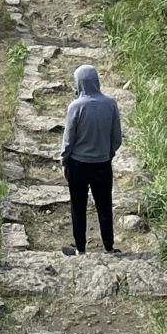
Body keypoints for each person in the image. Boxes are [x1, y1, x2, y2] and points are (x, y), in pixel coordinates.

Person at [60, 64, 123, 256]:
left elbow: (68, 139)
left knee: (78, 207)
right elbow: (117, 138)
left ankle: (80, 249)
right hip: (102, 165)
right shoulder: (111, 104)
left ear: (79, 83)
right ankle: (108, 247)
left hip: (78, 166)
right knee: (104, 206)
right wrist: (108, 154)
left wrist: (64, 160)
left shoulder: (75, 106)